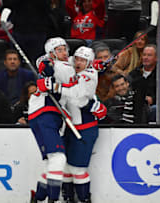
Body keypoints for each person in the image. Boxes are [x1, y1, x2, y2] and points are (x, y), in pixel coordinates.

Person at [36, 46, 106, 202]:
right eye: (77, 59)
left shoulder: (88, 76)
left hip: (85, 130)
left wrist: (53, 86)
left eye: (83, 60)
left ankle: (84, 199)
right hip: (69, 129)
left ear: (88, 63)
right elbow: (47, 61)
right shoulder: (73, 71)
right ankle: (68, 198)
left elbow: (77, 93)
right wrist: (46, 65)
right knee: (66, 167)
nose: (78, 63)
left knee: (78, 169)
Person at [28, 37, 76, 203]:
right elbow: (43, 62)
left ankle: (39, 198)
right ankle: (53, 199)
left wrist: (97, 67)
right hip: (45, 112)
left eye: (65, 49)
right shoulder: (55, 64)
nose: (64, 52)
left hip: (51, 115)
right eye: (59, 50)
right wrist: (46, 68)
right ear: (52, 53)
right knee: (59, 158)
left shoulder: (68, 65)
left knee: (51, 161)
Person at [128, 44, 160, 123]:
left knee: (155, 109)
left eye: (149, 55)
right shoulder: (134, 74)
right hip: (135, 106)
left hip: (153, 108)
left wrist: (153, 99)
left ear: (156, 58)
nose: (145, 58)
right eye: (144, 55)